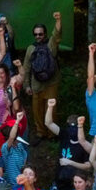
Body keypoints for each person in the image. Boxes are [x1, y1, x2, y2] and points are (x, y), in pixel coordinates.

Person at [21, 12, 62, 140]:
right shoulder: (30, 48)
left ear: (45, 34)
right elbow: (26, 68)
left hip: (51, 82)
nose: (38, 36)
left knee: (51, 110)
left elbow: (57, 34)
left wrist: (58, 20)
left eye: (41, 34)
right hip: (36, 83)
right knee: (37, 110)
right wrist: (26, 85)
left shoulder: (51, 44)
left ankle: (51, 133)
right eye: (36, 34)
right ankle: (40, 132)